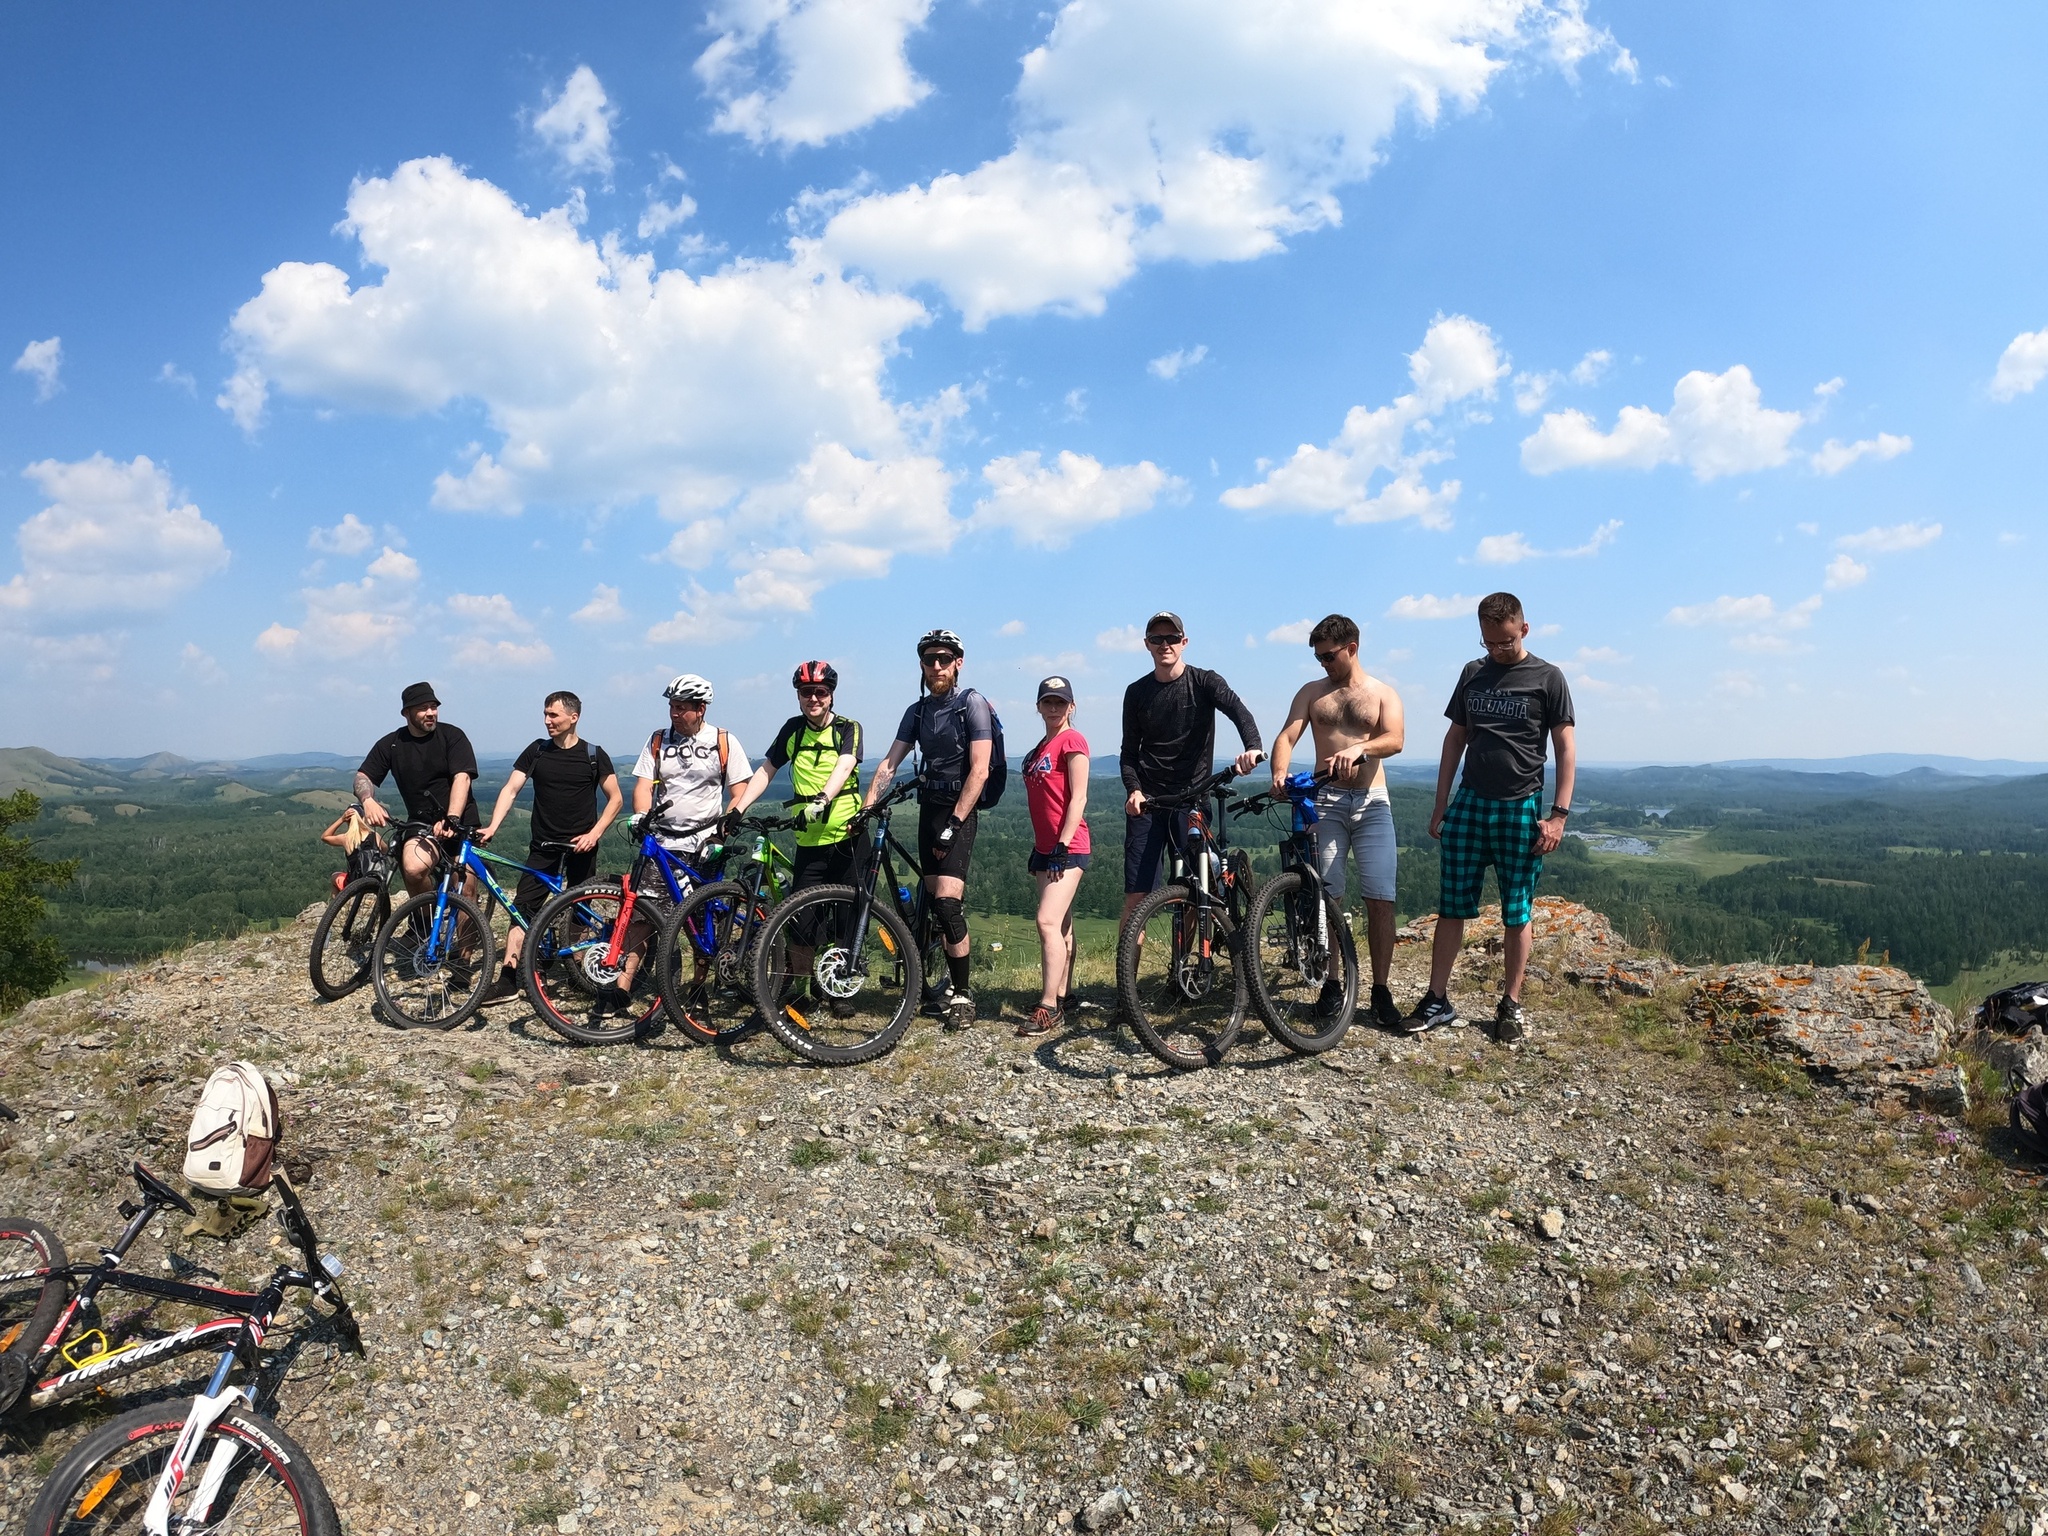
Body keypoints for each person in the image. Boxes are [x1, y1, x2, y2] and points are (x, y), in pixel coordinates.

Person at [1408, 592, 1576, 1043]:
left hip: (1521, 804)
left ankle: (1511, 1005)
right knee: (1452, 903)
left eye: (1504, 641)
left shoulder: (1548, 678)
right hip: (1470, 801)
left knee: (1516, 909)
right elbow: (1454, 739)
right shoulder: (1472, 673)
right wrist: (1441, 802)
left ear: (1524, 628)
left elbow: (1564, 748)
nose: (1497, 651)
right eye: (1488, 643)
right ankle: (1437, 999)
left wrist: (1558, 815)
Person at [1269, 614, 1407, 1030]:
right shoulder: (1312, 693)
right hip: (1325, 800)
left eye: (1329, 656)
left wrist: (1361, 749)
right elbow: (1287, 736)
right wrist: (1279, 772)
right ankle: (1333, 982)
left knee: (1380, 897)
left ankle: (1380, 989)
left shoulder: (1383, 693)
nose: (1323, 664)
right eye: (1318, 657)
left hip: (1371, 802)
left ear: (1352, 647)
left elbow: (1396, 739)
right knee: (1329, 894)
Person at [866, 629, 993, 1031]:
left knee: (947, 904)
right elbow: (889, 763)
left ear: (958, 662)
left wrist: (955, 822)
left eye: (943, 658)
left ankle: (963, 995)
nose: (936, 666)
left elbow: (980, 768)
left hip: (959, 810)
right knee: (929, 903)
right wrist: (867, 805)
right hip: (929, 809)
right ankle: (926, 982)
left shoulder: (971, 704)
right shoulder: (917, 711)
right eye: (928, 660)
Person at [730, 662, 865, 1017]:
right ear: (799, 696)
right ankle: (805, 990)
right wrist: (738, 808)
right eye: (806, 692)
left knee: (845, 917)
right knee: (802, 922)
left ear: (831, 694)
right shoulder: (793, 730)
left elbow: (846, 764)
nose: (814, 698)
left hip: (847, 835)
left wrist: (822, 799)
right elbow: (766, 770)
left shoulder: (847, 728)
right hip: (809, 840)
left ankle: (839, 990)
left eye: (820, 692)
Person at [474, 691, 624, 1006]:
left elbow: (616, 799)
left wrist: (594, 834)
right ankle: (509, 979)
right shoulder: (537, 751)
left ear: (574, 717)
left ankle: (579, 971)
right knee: (522, 909)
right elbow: (511, 788)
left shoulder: (594, 755)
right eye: (545, 714)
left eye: (553, 715)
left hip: (582, 847)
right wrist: (493, 826)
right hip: (543, 845)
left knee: (581, 911)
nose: (547, 721)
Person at [609, 673, 751, 1002]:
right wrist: (641, 814)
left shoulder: (723, 741)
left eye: (682, 707)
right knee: (643, 915)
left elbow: (739, 789)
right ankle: (621, 988)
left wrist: (725, 826)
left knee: (704, 919)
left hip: (704, 842)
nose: (674, 713)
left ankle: (699, 987)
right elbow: (644, 784)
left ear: (701, 709)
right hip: (662, 842)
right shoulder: (658, 739)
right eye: (672, 706)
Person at [1119, 611, 1262, 935]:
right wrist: (1133, 790)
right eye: (1157, 639)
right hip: (1149, 803)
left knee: (1193, 890)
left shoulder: (1204, 682)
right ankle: (1124, 984)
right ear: (1147, 644)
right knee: (1137, 898)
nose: (1164, 644)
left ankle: (1181, 976)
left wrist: (1252, 746)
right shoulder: (1137, 692)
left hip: (1192, 799)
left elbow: (1238, 711)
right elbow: (1129, 753)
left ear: (1184, 642)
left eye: (1171, 638)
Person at [353, 681, 481, 896]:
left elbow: (462, 779)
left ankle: (469, 931)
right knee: (413, 870)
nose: (431, 713)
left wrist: (452, 818)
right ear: (406, 713)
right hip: (421, 823)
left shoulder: (452, 736)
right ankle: (422, 924)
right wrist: (368, 801)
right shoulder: (392, 744)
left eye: (434, 707)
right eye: (423, 708)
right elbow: (363, 776)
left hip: (460, 822)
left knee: (464, 887)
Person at [1015, 675, 1090, 1039]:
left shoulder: (1072, 740)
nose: (1055, 707)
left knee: (1046, 921)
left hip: (1069, 846)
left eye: (1061, 702)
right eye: (1049, 701)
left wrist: (1061, 845)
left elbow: (1078, 798)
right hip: (1046, 848)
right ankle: (1064, 994)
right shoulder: (1039, 747)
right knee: (1061, 926)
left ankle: (1047, 1007)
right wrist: (1041, 849)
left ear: (1071, 706)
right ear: (1039, 706)